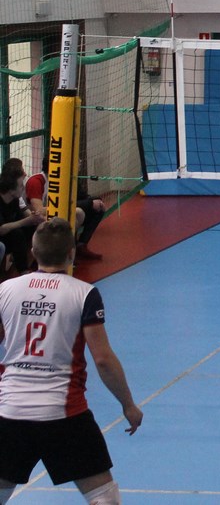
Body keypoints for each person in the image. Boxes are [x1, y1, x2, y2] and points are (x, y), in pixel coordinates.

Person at [0, 218, 143, 505]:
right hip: (64, 414)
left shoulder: (6, 290)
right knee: (104, 497)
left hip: (10, 411)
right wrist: (128, 404)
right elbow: (103, 359)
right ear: (71, 253)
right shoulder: (83, 294)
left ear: (33, 251)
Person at [19, 159, 105, 261]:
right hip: (35, 219)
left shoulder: (63, 179)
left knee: (86, 211)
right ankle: (58, 253)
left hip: (51, 214)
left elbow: (79, 198)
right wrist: (68, 206)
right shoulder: (36, 181)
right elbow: (39, 211)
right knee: (75, 214)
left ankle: (79, 246)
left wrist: (93, 201)